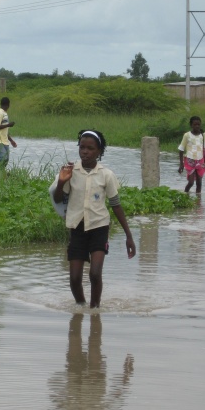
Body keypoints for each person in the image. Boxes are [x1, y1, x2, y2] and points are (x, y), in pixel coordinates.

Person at [52, 129, 136, 308]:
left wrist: (128, 236)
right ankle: (81, 306)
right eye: (82, 147)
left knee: (95, 274)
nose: (85, 151)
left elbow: (115, 204)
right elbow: (59, 198)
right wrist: (61, 182)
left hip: (99, 228)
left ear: (99, 151)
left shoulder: (106, 174)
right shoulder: (71, 171)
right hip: (77, 228)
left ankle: (95, 309)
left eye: (90, 148)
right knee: (75, 278)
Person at [178, 116, 205, 193]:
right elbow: (181, 149)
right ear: (191, 125)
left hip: (200, 161)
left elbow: (204, 148)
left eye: (198, 124)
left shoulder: (203, 135)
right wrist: (181, 164)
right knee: (191, 182)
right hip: (190, 160)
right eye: (195, 124)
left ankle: (198, 201)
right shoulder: (187, 135)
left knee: (199, 183)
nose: (197, 126)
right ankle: (185, 194)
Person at [0, 97, 17, 166]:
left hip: (5, 141)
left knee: (6, 160)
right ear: (8, 105)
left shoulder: (4, 113)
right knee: (3, 159)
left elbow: (4, 130)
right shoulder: (0, 113)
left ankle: (0, 174)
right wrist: (8, 125)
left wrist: (11, 140)